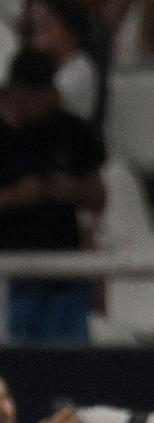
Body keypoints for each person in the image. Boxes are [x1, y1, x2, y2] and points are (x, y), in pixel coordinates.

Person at [0, 47, 106, 343]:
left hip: (65, 274)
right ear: (17, 90)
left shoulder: (70, 130)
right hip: (9, 274)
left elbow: (99, 196)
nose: (44, 103)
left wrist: (73, 190)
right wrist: (14, 196)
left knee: (70, 369)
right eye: (35, 94)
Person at [26, 0, 101, 121]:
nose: (42, 32)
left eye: (48, 25)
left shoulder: (81, 68)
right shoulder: (54, 65)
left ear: (70, 33)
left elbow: (39, 102)